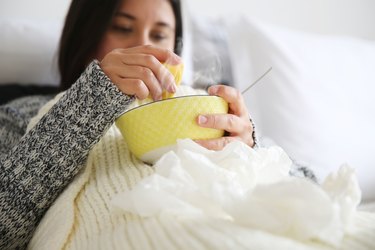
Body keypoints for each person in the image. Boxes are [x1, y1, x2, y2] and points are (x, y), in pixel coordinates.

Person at [0, 0, 257, 249]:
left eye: (159, 35)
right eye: (122, 28)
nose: (143, 45)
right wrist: (93, 96)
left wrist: (249, 151)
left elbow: (295, 184)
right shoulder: (23, 112)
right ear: (85, 35)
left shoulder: (206, 108)